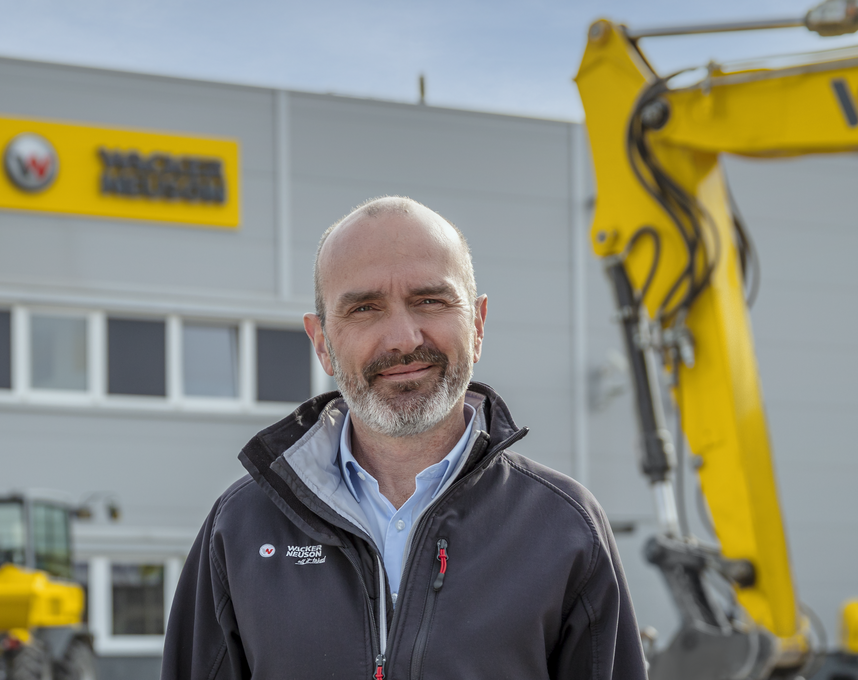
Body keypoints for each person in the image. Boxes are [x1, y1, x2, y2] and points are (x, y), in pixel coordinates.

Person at [162, 196, 645, 679]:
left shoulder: (564, 528)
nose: (403, 338)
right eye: (364, 308)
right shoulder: (241, 528)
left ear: (477, 325)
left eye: (429, 301)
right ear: (322, 343)